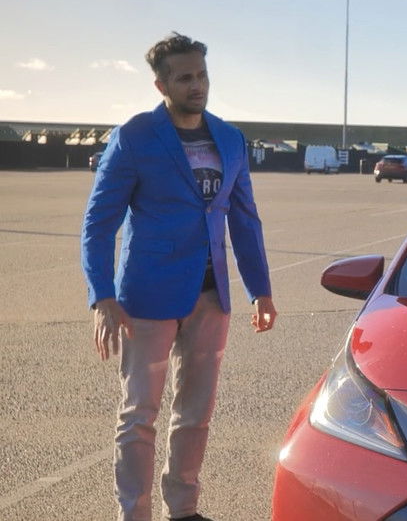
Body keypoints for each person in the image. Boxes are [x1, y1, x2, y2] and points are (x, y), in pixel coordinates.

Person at [81, 32, 277, 521]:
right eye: (185, 77)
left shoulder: (229, 139)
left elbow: (245, 218)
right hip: (145, 298)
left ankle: (184, 509)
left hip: (211, 298)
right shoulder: (134, 136)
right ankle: (135, 513)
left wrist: (261, 290)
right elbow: (98, 223)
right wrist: (102, 296)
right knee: (139, 416)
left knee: (196, 414)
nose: (197, 85)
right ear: (161, 84)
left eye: (202, 75)